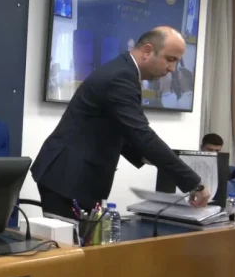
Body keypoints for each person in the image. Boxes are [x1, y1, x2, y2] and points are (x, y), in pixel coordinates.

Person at [30, 26, 210, 219]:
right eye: (170, 59)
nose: (172, 69)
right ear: (147, 51)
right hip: (66, 177)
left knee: (85, 236)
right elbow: (142, 135)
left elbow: (120, 129)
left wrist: (147, 157)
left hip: (72, 175)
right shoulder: (121, 77)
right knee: (71, 238)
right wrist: (194, 183)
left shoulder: (124, 71)